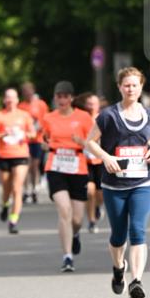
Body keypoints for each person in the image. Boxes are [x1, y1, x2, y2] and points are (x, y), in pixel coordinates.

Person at [85, 67, 150, 298]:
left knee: (138, 230)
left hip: (143, 182)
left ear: (141, 87)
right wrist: (106, 157)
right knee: (118, 235)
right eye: (126, 85)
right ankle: (119, 269)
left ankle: (136, 281)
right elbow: (90, 142)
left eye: (135, 85)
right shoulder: (108, 116)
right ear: (119, 87)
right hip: (115, 185)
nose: (131, 89)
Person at [42, 81, 94, 272]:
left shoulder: (84, 117)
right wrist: (45, 146)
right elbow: (43, 140)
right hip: (55, 166)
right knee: (64, 210)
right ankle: (67, 256)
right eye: (59, 96)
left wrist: (82, 142)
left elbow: (94, 142)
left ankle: (74, 234)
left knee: (77, 219)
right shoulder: (48, 118)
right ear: (55, 98)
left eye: (65, 96)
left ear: (71, 98)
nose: (62, 99)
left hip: (77, 168)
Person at [0, 88, 35, 234]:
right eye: (7, 97)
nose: (10, 100)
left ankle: (13, 220)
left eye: (13, 97)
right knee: (7, 188)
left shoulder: (24, 115)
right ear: (4, 100)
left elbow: (33, 133)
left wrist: (23, 133)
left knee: (17, 188)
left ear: (17, 100)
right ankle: (5, 204)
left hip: (20, 154)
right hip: (4, 155)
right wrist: (3, 133)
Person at [74, 92, 104, 232]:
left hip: (102, 161)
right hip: (85, 160)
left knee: (100, 193)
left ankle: (98, 206)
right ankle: (92, 221)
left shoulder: (104, 118)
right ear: (86, 105)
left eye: (94, 103)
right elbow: (75, 137)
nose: (92, 106)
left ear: (99, 105)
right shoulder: (80, 119)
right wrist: (82, 142)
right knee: (90, 191)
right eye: (89, 104)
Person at [19, 82, 49, 204]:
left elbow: (46, 120)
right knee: (26, 165)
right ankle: (27, 191)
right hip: (25, 140)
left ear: (33, 91)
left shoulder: (41, 104)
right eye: (25, 91)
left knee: (35, 166)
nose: (28, 93)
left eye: (29, 90)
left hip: (37, 139)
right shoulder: (20, 106)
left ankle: (35, 189)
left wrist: (46, 138)